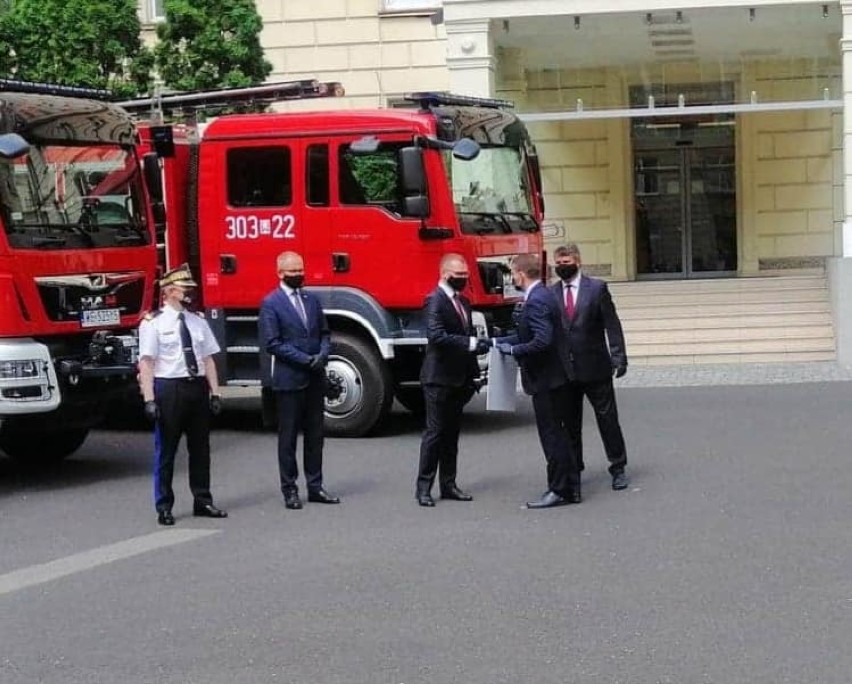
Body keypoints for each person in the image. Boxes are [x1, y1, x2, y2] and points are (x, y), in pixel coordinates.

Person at [137, 263, 227, 526]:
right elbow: (147, 363)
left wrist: (215, 392)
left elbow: (208, 359)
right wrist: (149, 399)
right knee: (166, 451)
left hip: (195, 387)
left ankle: (203, 500)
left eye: (190, 288)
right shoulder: (153, 323)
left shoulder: (197, 320)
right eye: (184, 288)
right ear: (169, 291)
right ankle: (164, 505)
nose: (189, 292)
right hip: (169, 388)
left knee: (201, 449)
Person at [494, 253, 581, 508]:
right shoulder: (545, 295)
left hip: (547, 380)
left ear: (520, 274)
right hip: (555, 378)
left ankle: (559, 490)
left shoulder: (536, 301)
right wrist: (498, 343)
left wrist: (513, 351)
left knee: (552, 436)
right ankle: (571, 487)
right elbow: (528, 335)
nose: (512, 278)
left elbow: (541, 340)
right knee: (562, 435)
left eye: (512, 273)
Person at [259, 251, 340, 510]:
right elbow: (273, 343)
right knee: (289, 438)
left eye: (301, 270)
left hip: (315, 378)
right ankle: (290, 489)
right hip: (289, 380)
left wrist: (322, 355)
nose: (298, 275)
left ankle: (315, 486)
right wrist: (306, 360)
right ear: (280, 273)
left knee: (316, 437)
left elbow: (325, 333)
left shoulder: (311, 300)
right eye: (293, 271)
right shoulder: (271, 303)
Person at [550, 243, 631, 491]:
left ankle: (618, 466)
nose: (563, 266)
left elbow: (611, 324)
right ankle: (575, 467)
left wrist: (619, 356)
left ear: (578, 261)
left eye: (567, 262)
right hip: (566, 371)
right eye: (559, 263)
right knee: (570, 424)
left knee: (607, 420)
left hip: (596, 367)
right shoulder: (551, 293)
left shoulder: (597, 289)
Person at [416, 253, 490, 507]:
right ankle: (424, 488)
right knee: (434, 433)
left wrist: (475, 372)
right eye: (459, 276)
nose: (463, 280)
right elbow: (436, 336)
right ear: (445, 274)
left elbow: (466, 334)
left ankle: (449, 485)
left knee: (451, 435)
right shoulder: (433, 300)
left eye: (466, 276)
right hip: (438, 378)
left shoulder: (464, 302)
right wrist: (470, 344)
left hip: (459, 378)